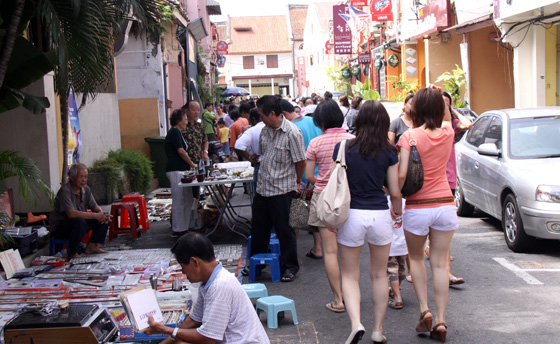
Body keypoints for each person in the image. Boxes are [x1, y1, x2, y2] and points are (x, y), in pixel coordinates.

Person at [334, 100, 402, 344]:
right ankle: (378, 330)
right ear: (384, 123)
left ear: (359, 120)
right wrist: (398, 212)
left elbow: (338, 183)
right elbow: (394, 191)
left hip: (351, 214)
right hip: (379, 215)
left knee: (351, 275)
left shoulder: (344, 148)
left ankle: (356, 323)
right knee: (379, 275)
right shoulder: (389, 151)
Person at [396, 87, 458, 343]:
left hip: (417, 207)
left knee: (416, 259)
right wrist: (440, 101)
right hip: (445, 204)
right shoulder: (448, 132)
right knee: (441, 264)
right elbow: (446, 115)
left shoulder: (409, 137)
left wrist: (394, 201)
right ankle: (441, 320)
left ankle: (425, 310)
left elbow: (401, 176)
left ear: (417, 108)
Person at [146, 232, 270, 344]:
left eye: (183, 267)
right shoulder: (207, 282)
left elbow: (208, 338)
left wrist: (164, 330)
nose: (183, 272)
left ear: (195, 262)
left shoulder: (220, 285)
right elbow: (193, 321)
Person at [305, 99, 354, 314]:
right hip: (348, 199)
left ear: (319, 121)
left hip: (323, 200)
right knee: (349, 251)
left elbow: (308, 176)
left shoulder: (315, 143)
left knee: (331, 252)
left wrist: (325, 183)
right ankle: (353, 296)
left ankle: (338, 300)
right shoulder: (353, 140)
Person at [250, 95, 306, 282]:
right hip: (263, 188)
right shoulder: (264, 131)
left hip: (283, 190)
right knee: (259, 230)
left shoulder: (292, 132)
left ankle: (290, 267)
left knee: (285, 231)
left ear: (272, 113)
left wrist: (296, 182)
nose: (260, 119)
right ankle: (257, 265)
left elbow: (300, 161)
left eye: (261, 115)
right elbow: (263, 154)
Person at [280, 100, 322, 256]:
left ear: (283, 114)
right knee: (316, 213)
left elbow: (296, 159)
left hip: (303, 175)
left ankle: (292, 252)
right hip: (320, 174)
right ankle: (317, 248)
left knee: (296, 212)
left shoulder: (292, 129)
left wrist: (297, 180)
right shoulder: (313, 121)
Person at [49, 163, 112, 259]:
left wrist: (101, 213)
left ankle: (91, 246)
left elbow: (94, 205)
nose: (84, 180)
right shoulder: (65, 191)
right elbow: (71, 214)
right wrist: (96, 216)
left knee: (105, 217)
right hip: (60, 227)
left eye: (86, 177)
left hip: (78, 223)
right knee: (79, 222)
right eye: (81, 177)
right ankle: (72, 252)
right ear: (72, 177)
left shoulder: (85, 189)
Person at [165, 109, 198, 234]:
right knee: (179, 199)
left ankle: (185, 226)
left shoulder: (178, 132)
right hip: (175, 169)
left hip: (182, 170)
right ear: (178, 121)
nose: (186, 122)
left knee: (187, 198)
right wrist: (192, 164)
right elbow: (181, 151)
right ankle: (178, 229)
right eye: (184, 119)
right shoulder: (174, 132)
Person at [235, 108, 264, 183]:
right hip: (276, 166)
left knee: (259, 191)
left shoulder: (252, 130)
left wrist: (249, 158)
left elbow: (238, 145)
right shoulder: (273, 127)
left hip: (260, 164)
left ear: (253, 119)